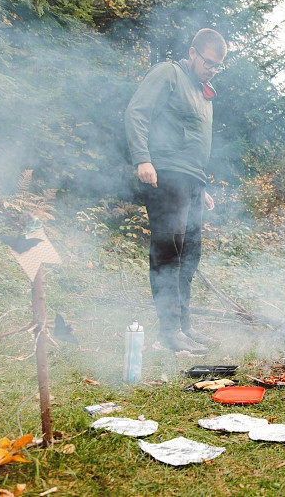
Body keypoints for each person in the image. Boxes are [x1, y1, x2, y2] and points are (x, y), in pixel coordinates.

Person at [124, 28, 227, 353]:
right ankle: (168, 333)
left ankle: (184, 326)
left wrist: (200, 186)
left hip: (190, 181)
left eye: (217, 66)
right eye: (208, 62)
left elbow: (193, 141)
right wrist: (143, 158)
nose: (211, 69)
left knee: (190, 255)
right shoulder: (169, 73)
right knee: (168, 252)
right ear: (193, 53)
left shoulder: (203, 91)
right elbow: (136, 113)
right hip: (164, 175)